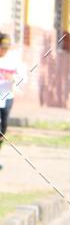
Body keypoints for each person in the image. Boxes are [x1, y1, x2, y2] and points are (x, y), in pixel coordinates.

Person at [0, 33, 26, 169]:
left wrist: (14, 78)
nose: (4, 50)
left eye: (7, 47)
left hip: (7, 96)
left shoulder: (12, 60)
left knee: (2, 127)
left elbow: (23, 78)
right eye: (2, 47)